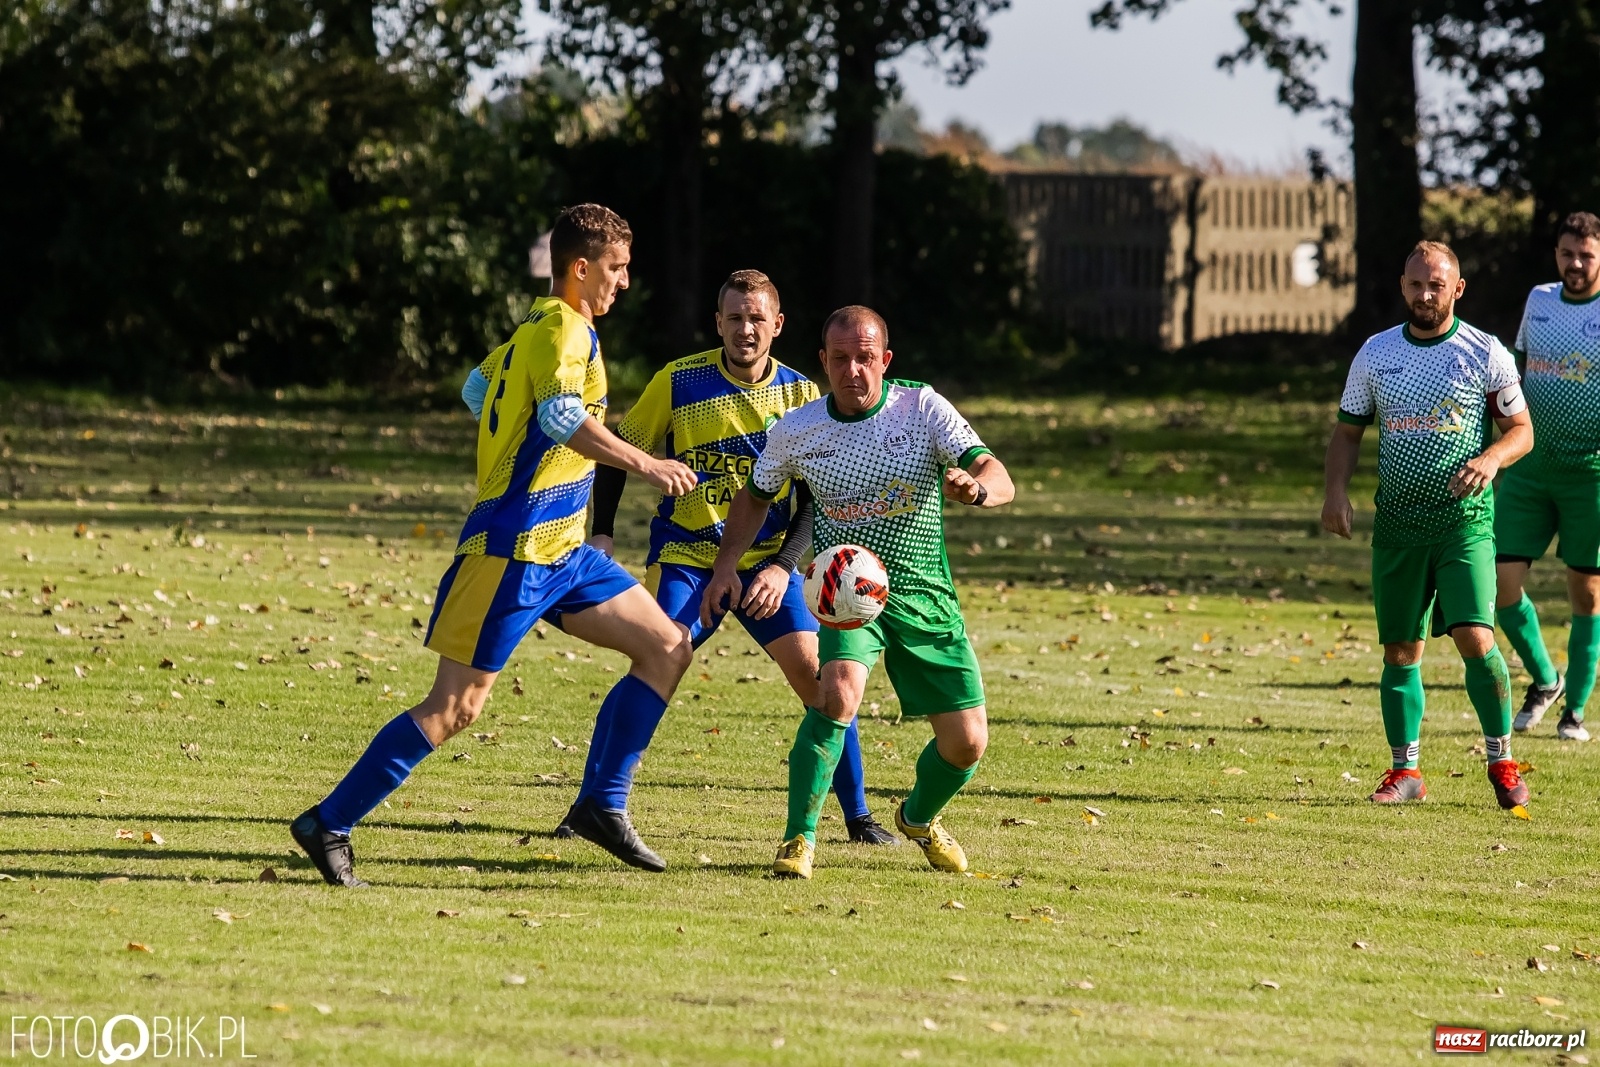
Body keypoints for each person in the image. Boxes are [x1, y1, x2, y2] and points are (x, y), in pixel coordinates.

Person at [290, 204, 697, 886]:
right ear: (581, 267)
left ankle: (602, 802)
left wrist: (519, 441)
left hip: (564, 552)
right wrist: (646, 464)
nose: (624, 282)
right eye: (618, 269)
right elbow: (561, 415)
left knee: (667, 646)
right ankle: (328, 822)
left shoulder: (534, 328)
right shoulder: (569, 329)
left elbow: (475, 390)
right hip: (513, 551)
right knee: (455, 708)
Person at [569, 270, 897, 845]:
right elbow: (619, 454)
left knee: (822, 683)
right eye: (735, 318)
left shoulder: (801, 396)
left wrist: (779, 566)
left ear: (778, 325)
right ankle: (592, 803)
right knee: (660, 655)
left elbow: (812, 498)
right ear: (718, 322)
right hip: (688, 557)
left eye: (757, 319)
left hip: (768, 564)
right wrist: (602, 534)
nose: (746, 330)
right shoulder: (678, 380)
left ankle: (859, 816)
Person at [703, 306, 1015, 879]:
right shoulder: (798, 429)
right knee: (837, 694)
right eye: (841, 359)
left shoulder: (920, 408)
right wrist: (728, 564)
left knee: (967, 744)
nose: (853, 370)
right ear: (823, 362)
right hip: (848, 595)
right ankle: (799, 840)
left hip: (925, 597)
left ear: (885, 360)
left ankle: (917, 818)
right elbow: (755, 497)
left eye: (865, 358)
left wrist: (976, 490)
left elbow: (998, 474)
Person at [1322, 240, 1535, 809]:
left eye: (1436, 285)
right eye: (1416, 285)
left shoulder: (1484, 351)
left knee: (1475, 637)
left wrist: (1491, 459)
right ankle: (1405, 772)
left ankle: (1502, 759)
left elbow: (1522, 431)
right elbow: (1347, 432)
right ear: (1402, 286)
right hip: (1397, 526)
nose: (1424, 295)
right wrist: (1335, 494)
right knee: (1399, 652)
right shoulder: (1375, 354)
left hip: (1463, 524)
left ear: (1457, 289)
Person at [1493, 212, 1600, 743]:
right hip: (1530, 471)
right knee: (1500, 587)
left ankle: (1574, 712)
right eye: (1567, 254)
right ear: (1556, 255)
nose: (1575, 264)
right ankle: (1545, 680)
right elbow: (1515, 369)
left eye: (1586, 255)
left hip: (1590, 478)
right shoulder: (1539, 300)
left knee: (1587, 594)